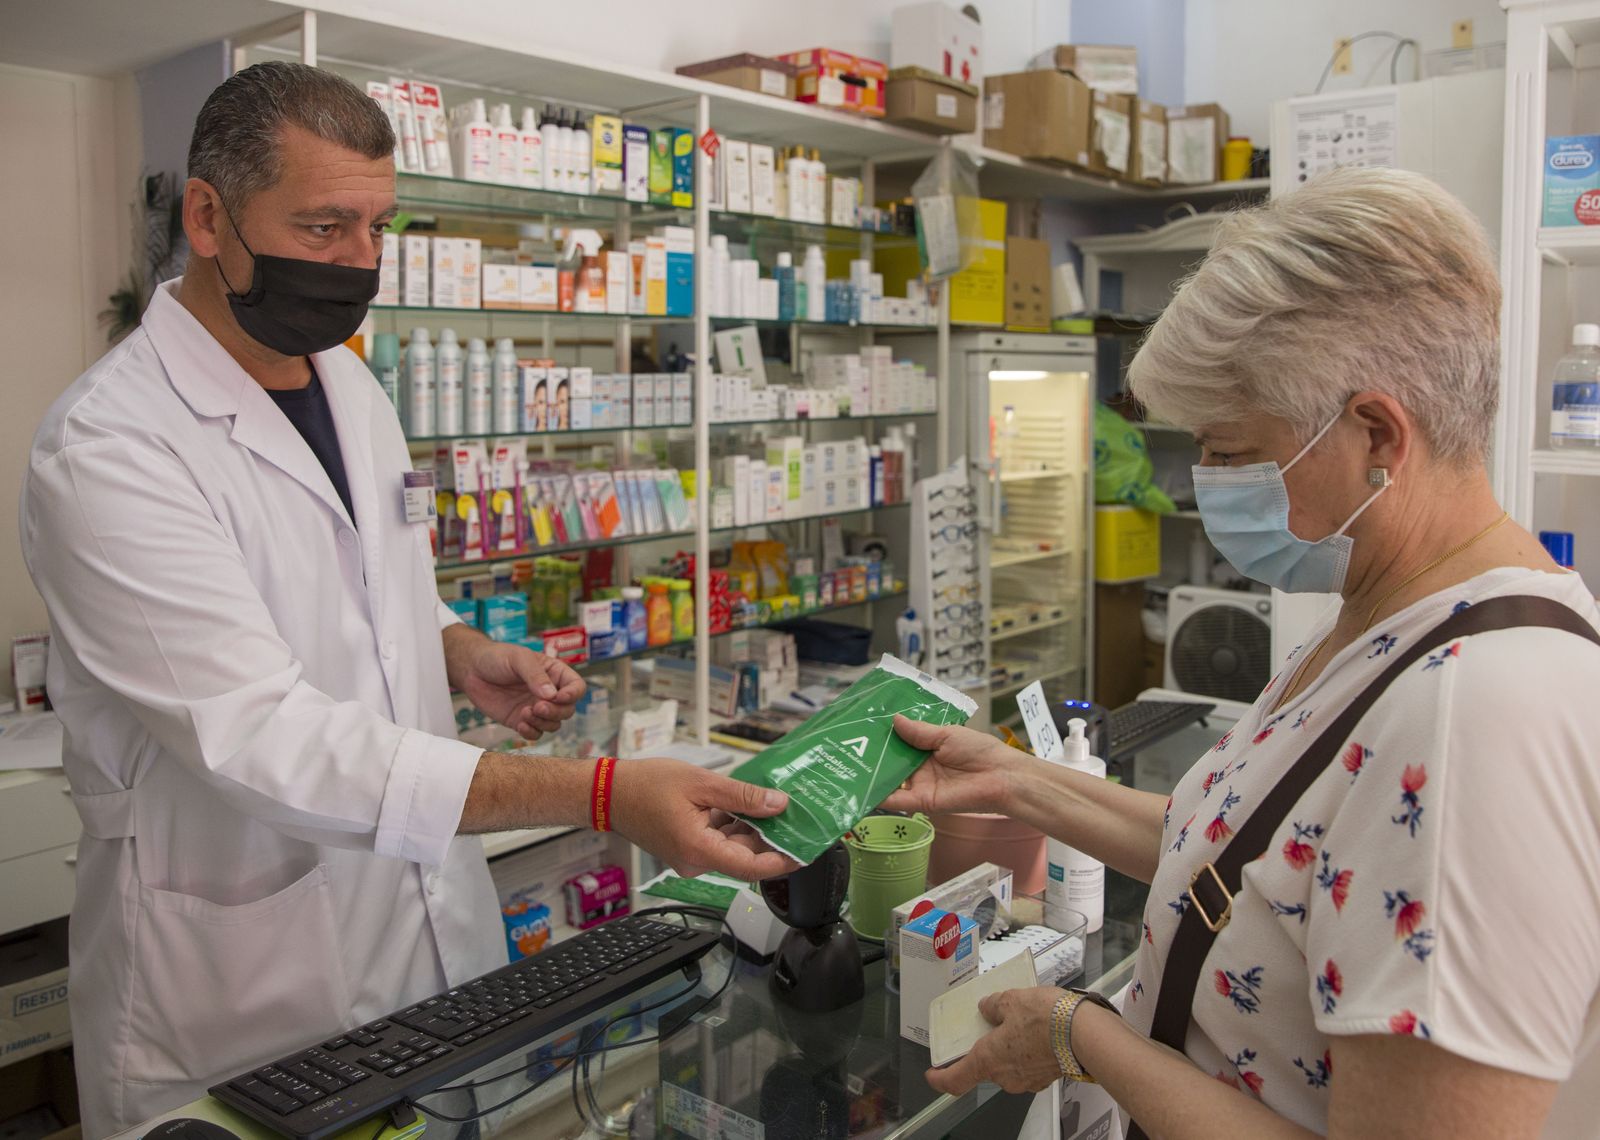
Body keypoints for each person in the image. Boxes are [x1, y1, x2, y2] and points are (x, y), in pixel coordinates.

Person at [20, 62, 793, 1135]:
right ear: (206, 216)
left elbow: (372, 587)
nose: (360, 262)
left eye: (379, 228)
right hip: (244, 989)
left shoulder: (348, 382)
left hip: (430, 954)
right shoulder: (109, 448)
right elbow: (262, 736)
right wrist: (602, 793)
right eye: (323, 226)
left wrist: (456, 646)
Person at [887, 168, 1600, 1138]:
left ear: (1376, 435)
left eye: (1228, 451)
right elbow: (1248, 857)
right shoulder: (1385, 615)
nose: (1205, 482)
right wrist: (1013, 782)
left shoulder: (1476, 720)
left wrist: (1080, 1034)